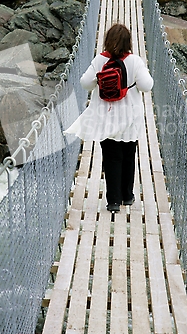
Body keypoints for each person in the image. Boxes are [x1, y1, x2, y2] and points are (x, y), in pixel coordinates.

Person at [64, 23, 153, 213]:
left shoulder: (100, 60)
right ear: (128, 42)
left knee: (112, 158)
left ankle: (113, 201)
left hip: (106, 117)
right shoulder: (135, 61)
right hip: (130, 118)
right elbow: (146, 86)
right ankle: (127, 196)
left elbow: (85, 84)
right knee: (129, 156)